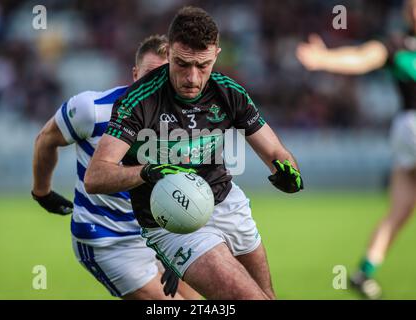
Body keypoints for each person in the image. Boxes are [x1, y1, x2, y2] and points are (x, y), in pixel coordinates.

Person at [85, 6, 304, 300]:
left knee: (267, 296)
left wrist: (287, 171)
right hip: (173, 221)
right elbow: (96, 175)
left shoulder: (229, 92)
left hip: (228, 204)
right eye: (182, 64)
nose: (192, 77)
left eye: (202, 65)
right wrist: (147, 171)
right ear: (170, 52)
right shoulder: (138, 101)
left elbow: (275, 150)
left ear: (216, 55)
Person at [32, 34, 200, 300]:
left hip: (153, 237)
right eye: (148, 75)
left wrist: (176, 248)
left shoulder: (183, 122)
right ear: (135, 75)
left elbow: (184, 193)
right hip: (107, 240)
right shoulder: (92, 109)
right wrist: (41, 192)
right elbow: (46, 139)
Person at [296, 0, 416, 300]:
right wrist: (324, 60)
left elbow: (363, 57)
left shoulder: (398, 45)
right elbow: (361, 58)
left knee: (400, 210)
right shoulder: (397, 45)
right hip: (412, 126)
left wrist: (323, 59)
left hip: (404, 131)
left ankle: (364, 272)